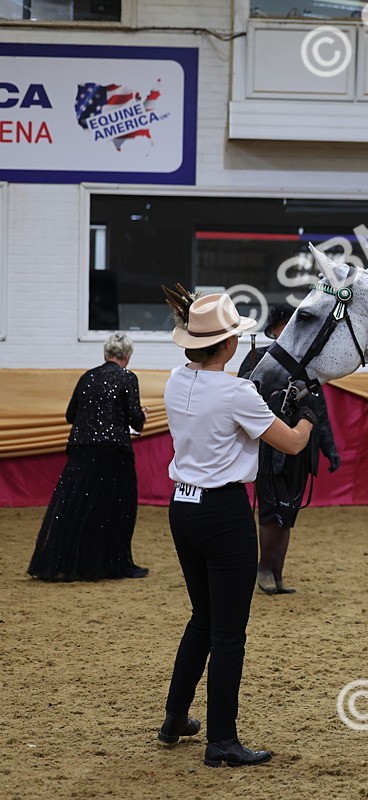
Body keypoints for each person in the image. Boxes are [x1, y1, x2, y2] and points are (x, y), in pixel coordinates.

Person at [157, 290, 315, 767]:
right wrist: (308, 413)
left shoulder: (172, 380)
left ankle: (174, 718)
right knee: (229, 633)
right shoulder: (235, 392)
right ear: (227, 346)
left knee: (202, 619)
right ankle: (221, 739)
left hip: (182, 507)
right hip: (223, 514)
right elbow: (288, 444)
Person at [237, 303, 340, 595]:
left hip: (301, 450)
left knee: (289, 512)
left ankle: (276, 573)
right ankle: (264, 569)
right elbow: (244, 395)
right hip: (271, 449)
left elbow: (318, 409)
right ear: (277, 327)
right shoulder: (259, 358)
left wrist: (328, 448)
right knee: (271, 512)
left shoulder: (308, 363)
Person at [28, 333, 148, 581]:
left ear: (105, 354)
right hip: (113, 453)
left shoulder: (87, 377)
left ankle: (65, 562)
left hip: (81, 449)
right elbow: (135, 418)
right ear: (127, 356)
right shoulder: (127, 378)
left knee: (75, 507)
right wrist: (138, 416)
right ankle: (112, 564)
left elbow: (71, 415)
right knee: (115, 510)